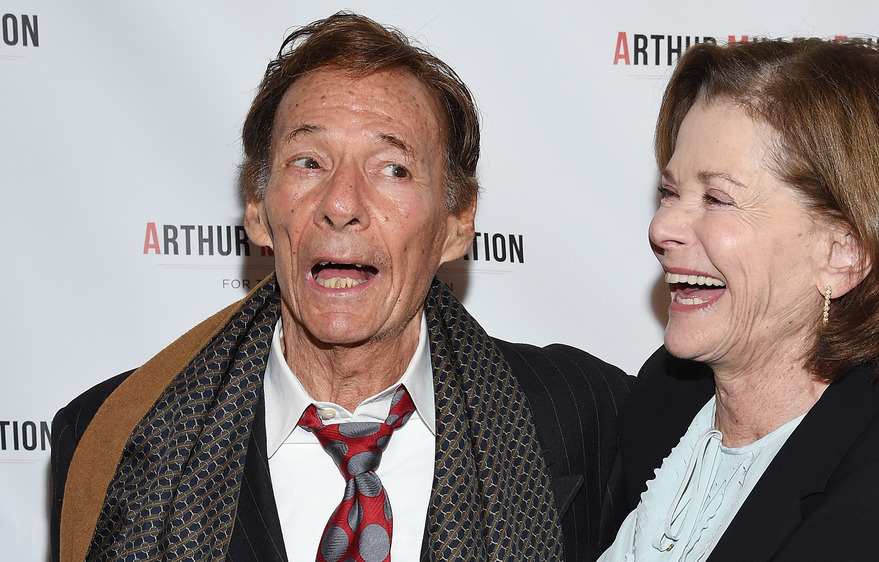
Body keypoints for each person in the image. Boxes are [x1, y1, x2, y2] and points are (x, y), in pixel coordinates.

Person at [51, 12, 632, 562]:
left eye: (392, 168)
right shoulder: (110, 439)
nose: (342, 204)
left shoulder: (587, 418)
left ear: (458, 221)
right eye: (308, 162)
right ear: (257, 209)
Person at [601, 39, 879, 561]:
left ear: (843, 254)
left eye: (717, 198)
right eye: (670, 193)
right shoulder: (665, 399)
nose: (662, 227)